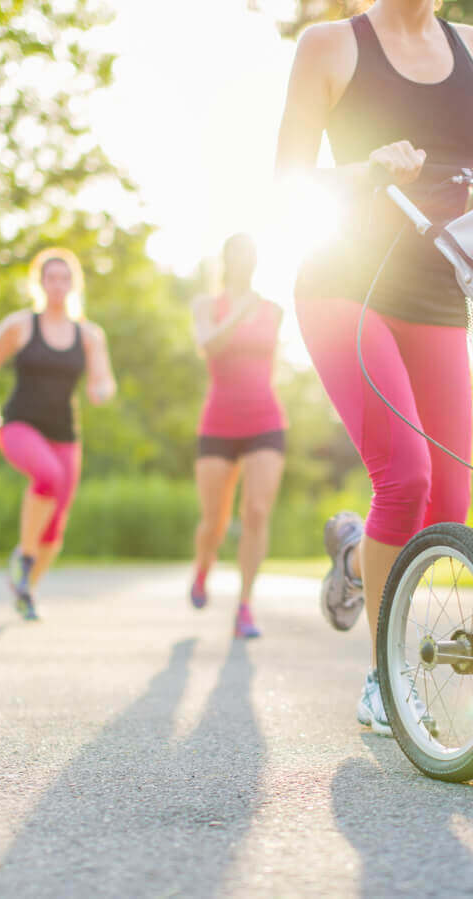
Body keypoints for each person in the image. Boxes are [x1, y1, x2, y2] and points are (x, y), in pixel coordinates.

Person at [274, 0, 473, 734]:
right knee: (406, 476)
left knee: (447, 504)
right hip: (345, 282)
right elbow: (288, 177)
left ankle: (355, 556)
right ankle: (383, 680)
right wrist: (365, 169)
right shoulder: (331, 44)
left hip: (436, 291)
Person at [0, 248, 116, 621]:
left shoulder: (89, 335)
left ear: (73, 284)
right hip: (18, 425)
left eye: (64, 278)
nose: (57, 285)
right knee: (47, 475)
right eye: (51, 277)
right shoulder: (19, 325)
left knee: (55, 528)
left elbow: (104, 380)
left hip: (65, 434)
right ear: (40, 283)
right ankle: (24, 557)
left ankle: (27, 590)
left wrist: (102, 391)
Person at [189, 233, 287, 639]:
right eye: (239, 253)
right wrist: (237, 313)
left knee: (257, 511)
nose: (246, 260)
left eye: (252, 253)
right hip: (219, 422)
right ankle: (203, 568)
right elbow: (208, 346)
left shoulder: (274, 309)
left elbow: (270, 362)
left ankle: (245, 605)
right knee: (214, 520)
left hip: (265, 418)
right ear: (226, 259)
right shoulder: (206, 305)